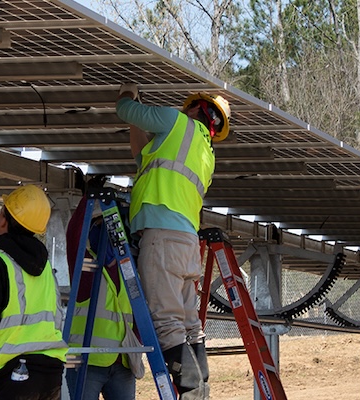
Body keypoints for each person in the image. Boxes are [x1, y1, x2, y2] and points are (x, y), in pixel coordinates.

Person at [115, 83, 231, 399]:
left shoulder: (175, 122)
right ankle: (202, 388)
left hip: (161, 239)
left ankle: (191, 392)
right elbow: (142, 157)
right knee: (189, 326)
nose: (184, 107)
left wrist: (127, 94)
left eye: (189, 104)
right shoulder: (206, 155)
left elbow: (125, 110)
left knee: (166, 325)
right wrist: (136, 120)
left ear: (197, 108)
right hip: (186, 245)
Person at [0, 184, 67, 400]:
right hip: (50, 373)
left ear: (4, 219)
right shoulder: (45, 269)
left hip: (15, 375)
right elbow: (57, 316)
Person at [65, 174, 140, 400]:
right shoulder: (87, 269)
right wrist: (87, 200)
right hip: (87, 363)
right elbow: (74, 238)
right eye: (99, 224)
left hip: (124, 363)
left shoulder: (129, 269)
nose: (105, 231)